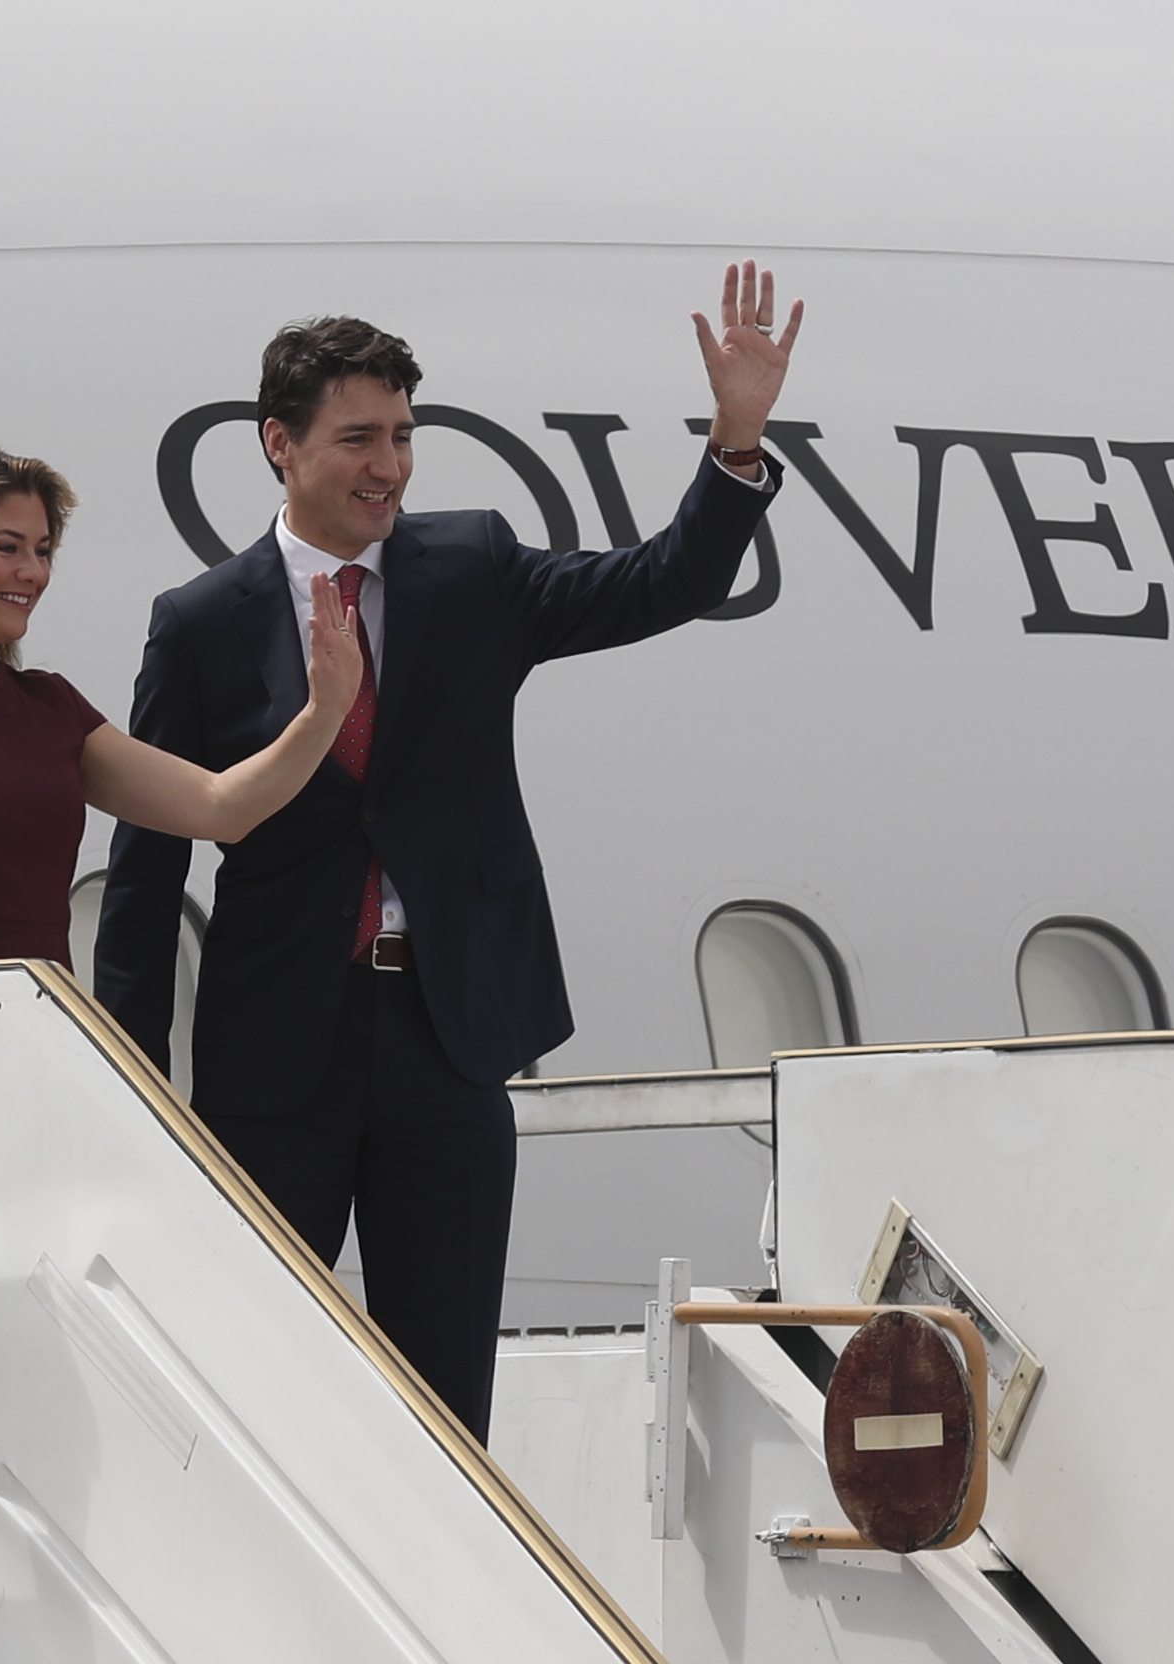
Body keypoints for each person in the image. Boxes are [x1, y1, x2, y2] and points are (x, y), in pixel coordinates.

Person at [93, 263, 802, 1438]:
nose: (389, 465)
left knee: (445, 1399)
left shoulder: (470, 567)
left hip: (445, 1039)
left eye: (404, 436)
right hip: (277, 1057)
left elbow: (665, 581)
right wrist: (125, 1072)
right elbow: (148, 864)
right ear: (279, 442)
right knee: (254, 1378)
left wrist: (735, 440)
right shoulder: (203, 620)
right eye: (359, 437)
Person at [0, 440, 362, 973]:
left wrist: (323, 712)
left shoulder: (52, 706)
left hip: (46, 1040)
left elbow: (220, 808)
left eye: (43, 550)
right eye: (7, 547)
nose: (33, 572)